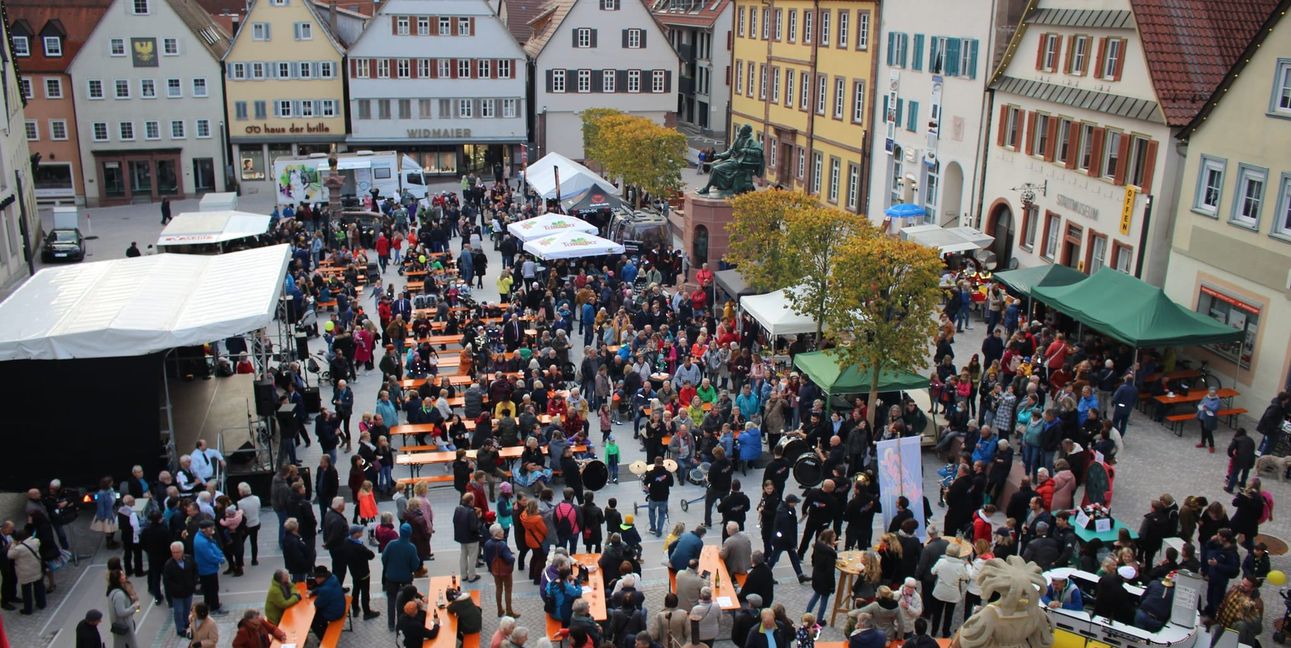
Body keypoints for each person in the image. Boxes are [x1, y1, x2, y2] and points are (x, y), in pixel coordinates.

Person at [768, 493, 810, 582]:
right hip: (783, 540)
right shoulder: (784, 514)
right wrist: (792, 543)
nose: (796, 504)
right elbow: (786, 530)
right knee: (774, 558)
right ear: (790, 502)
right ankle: (766, 574)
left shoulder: (786, 509)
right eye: (795, 502)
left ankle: (800, 575)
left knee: (789, 557)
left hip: (782, 540)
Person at [484, 523, 520, 617]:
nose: (503, 531)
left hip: (495, 570)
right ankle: (509, 610)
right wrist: (512, 558)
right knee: (508, 590)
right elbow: (509, 559)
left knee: (498, 589)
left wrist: (491, 569)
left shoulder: (487, 543)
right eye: (501, 531)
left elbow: (486, 558)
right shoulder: (502, 545)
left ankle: (499, 609)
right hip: (505, 571)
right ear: (497, 533)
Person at [193, 520, 225, 614]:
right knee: (213, 589)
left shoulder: (201, 537)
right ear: (204, 530)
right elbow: (210, 557)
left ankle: (208, 603)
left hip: (205, 568)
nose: (212, 530)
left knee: (207, 588)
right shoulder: (202, 542)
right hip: (208, 569)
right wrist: (220, 559)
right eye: (210, 528)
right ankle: (215, 607)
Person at [306, 566, 347, 640]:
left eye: (316, 577)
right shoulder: (332, 577)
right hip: (340, 606)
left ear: (321, 577)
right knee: (318, 616)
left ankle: (324, 640)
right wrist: (313, 592)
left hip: (335, 613)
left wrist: (315, 596)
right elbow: (321, 588)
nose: (315, 580)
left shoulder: (325, 590)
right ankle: (324, 629)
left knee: (313, 621)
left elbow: (317, 604)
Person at [806, 529, 838, 619]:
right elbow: (830, 572)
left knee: (816, 595)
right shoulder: (830, 553)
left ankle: (807, 613)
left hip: (817, 575)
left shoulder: (818, 547)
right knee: (824, 600)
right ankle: (820, 619)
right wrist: (832, 586)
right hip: (825, 581)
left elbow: (813, 560)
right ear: (830, 539)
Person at [107, 568, 140, 648]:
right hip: (124, 625)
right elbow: (121, 612)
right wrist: (134, 607)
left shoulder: (112, 591)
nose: (125, 576)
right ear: (119, 579)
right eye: (122, 575)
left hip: (120, 625)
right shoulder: (119, 594)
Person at [645, 456, 674, 536]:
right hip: (664, 497)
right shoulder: (668, 473)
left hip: (653, 497)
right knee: (661, 514)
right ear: (662, 463)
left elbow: (645, 485)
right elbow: (671, 484)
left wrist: (648, 490)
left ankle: (653, 528)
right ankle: (659, 531)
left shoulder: (650, 473)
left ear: (655, 462)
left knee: (651, 512)